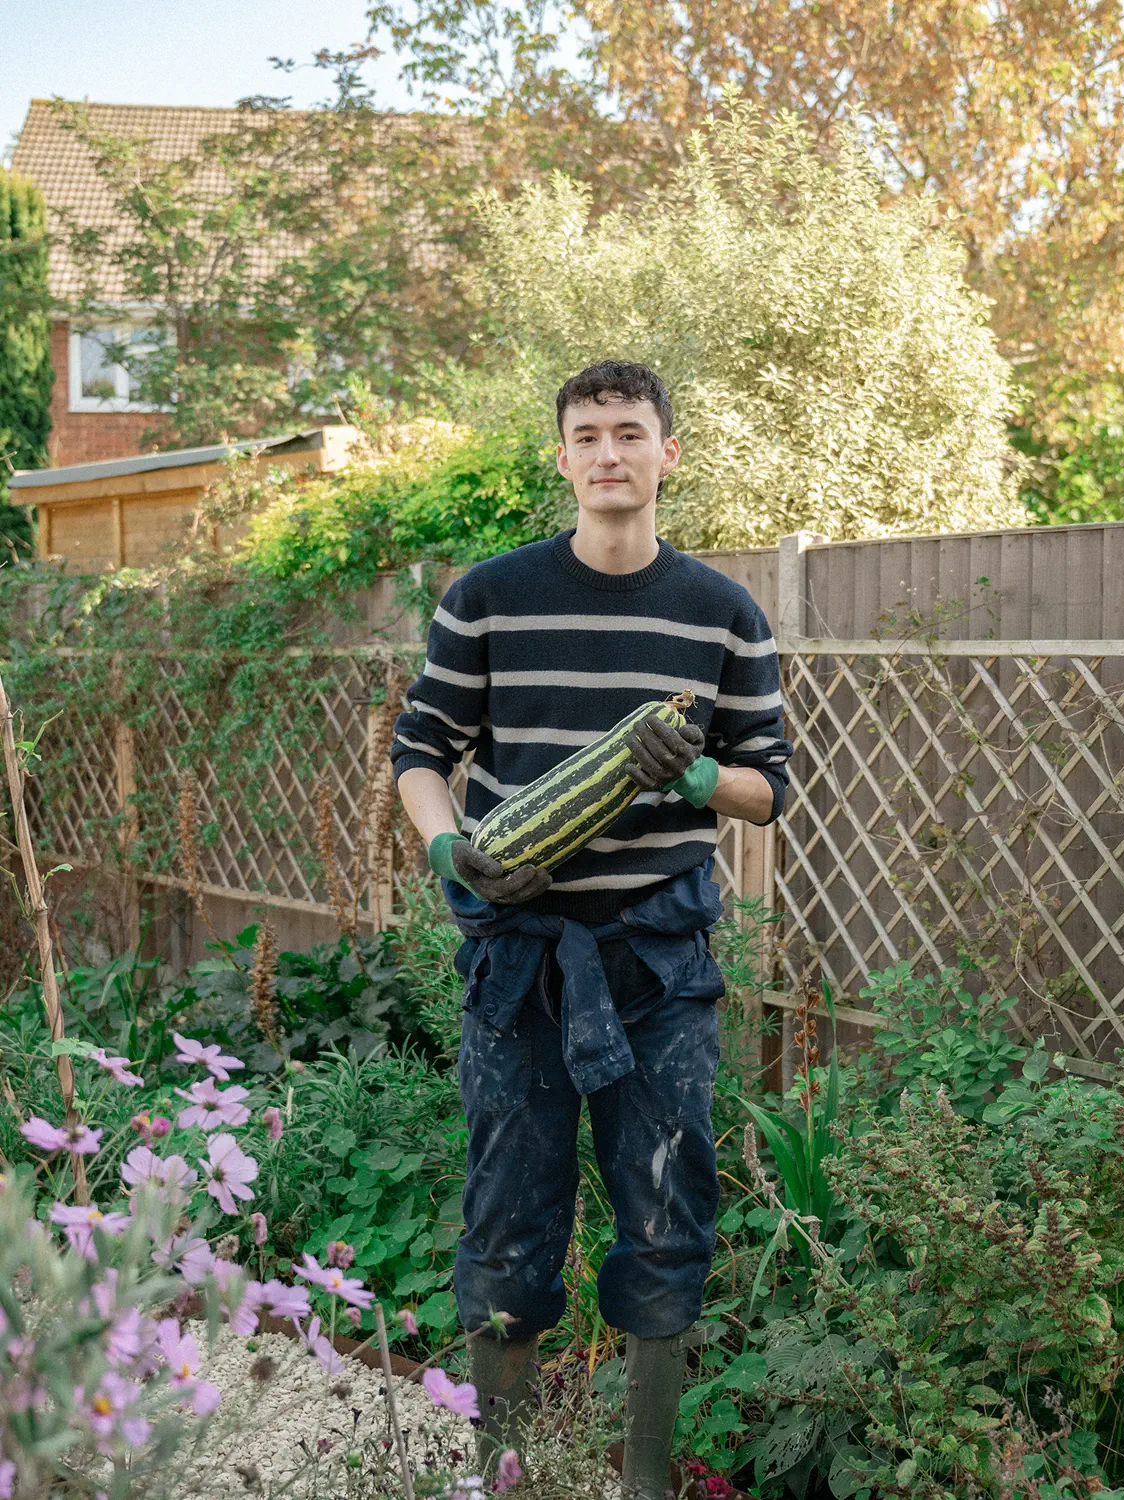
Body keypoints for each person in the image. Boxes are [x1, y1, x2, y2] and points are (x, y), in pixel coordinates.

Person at [392, 360, 791, 1498]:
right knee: (509, 1213)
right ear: (560, 458)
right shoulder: (488, 596)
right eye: (587, 435)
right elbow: (422, 753)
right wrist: (444, 849)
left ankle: (646, 1483)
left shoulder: (723, 612)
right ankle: (499, 1475)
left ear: (668, 454)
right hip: (517, 956)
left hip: (660, 960)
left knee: (667, 1213)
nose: (609, 453)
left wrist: (702, 770)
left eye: (630, 433)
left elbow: (771, 787)